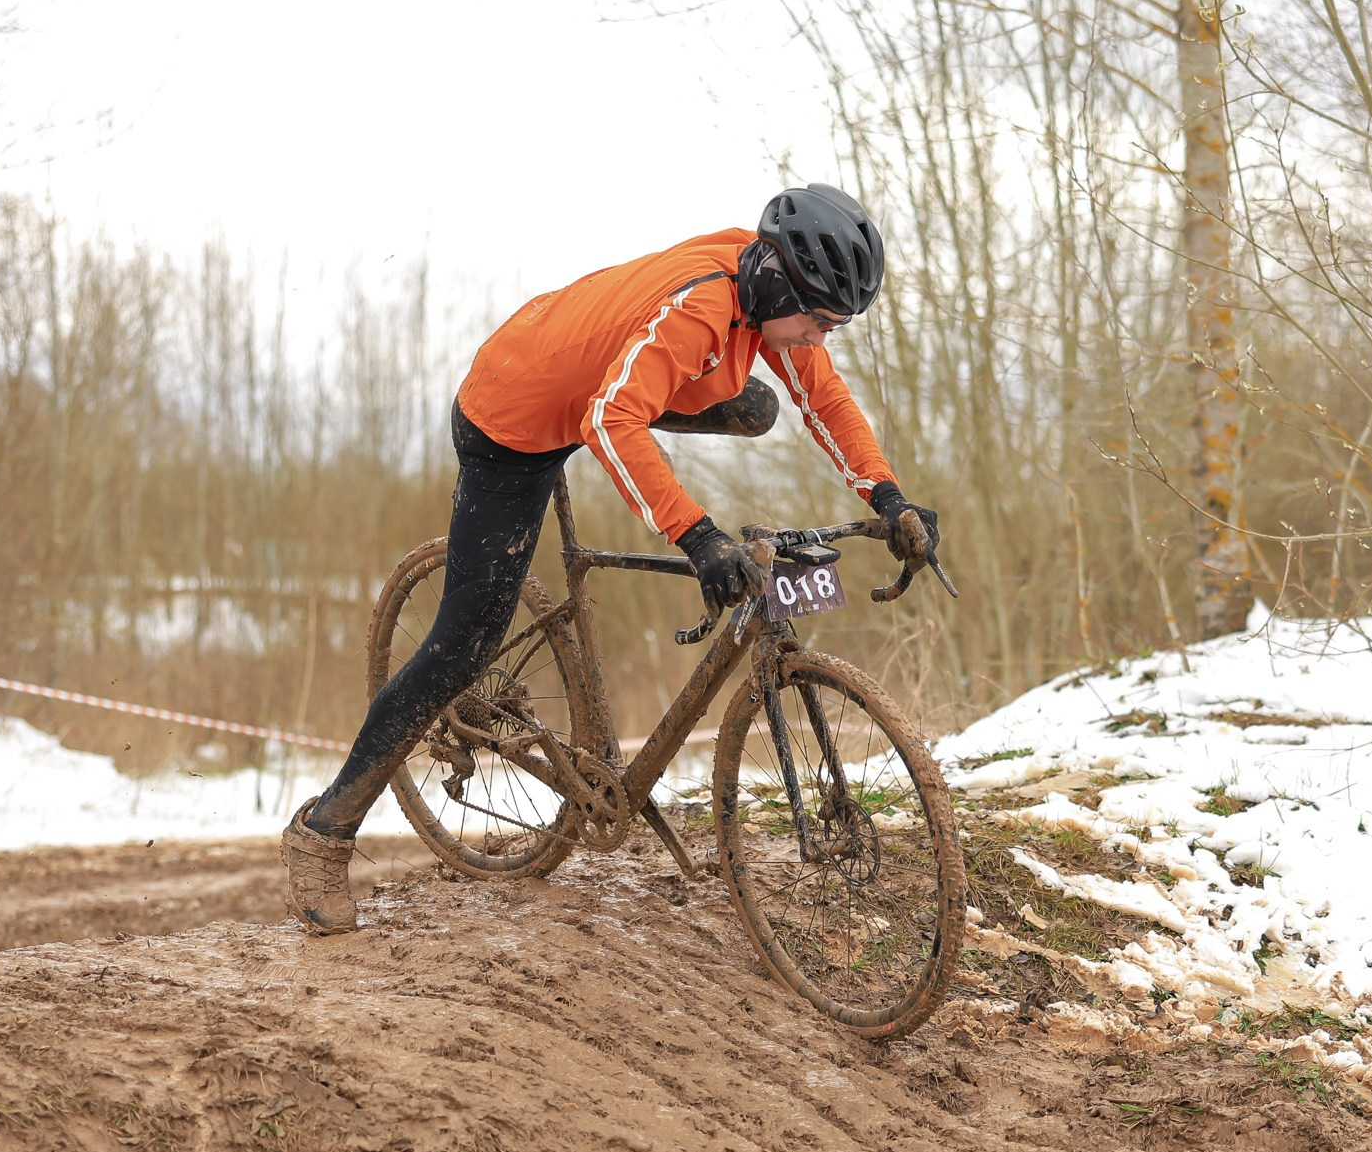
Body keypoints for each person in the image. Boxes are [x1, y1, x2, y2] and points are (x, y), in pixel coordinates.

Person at [279, 183, 941, 934]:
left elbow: (829, 402)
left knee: (760, 403)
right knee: (463, 643)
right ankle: (322, 833)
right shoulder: (701, 308)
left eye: (837, 325)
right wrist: (697, 533)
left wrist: (890, 498)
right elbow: (609, 420)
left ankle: (642, 395)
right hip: (515, 409)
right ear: (777, 281)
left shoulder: (761, 294)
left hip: (604, 368)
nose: (821, 338)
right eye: (819, 320)